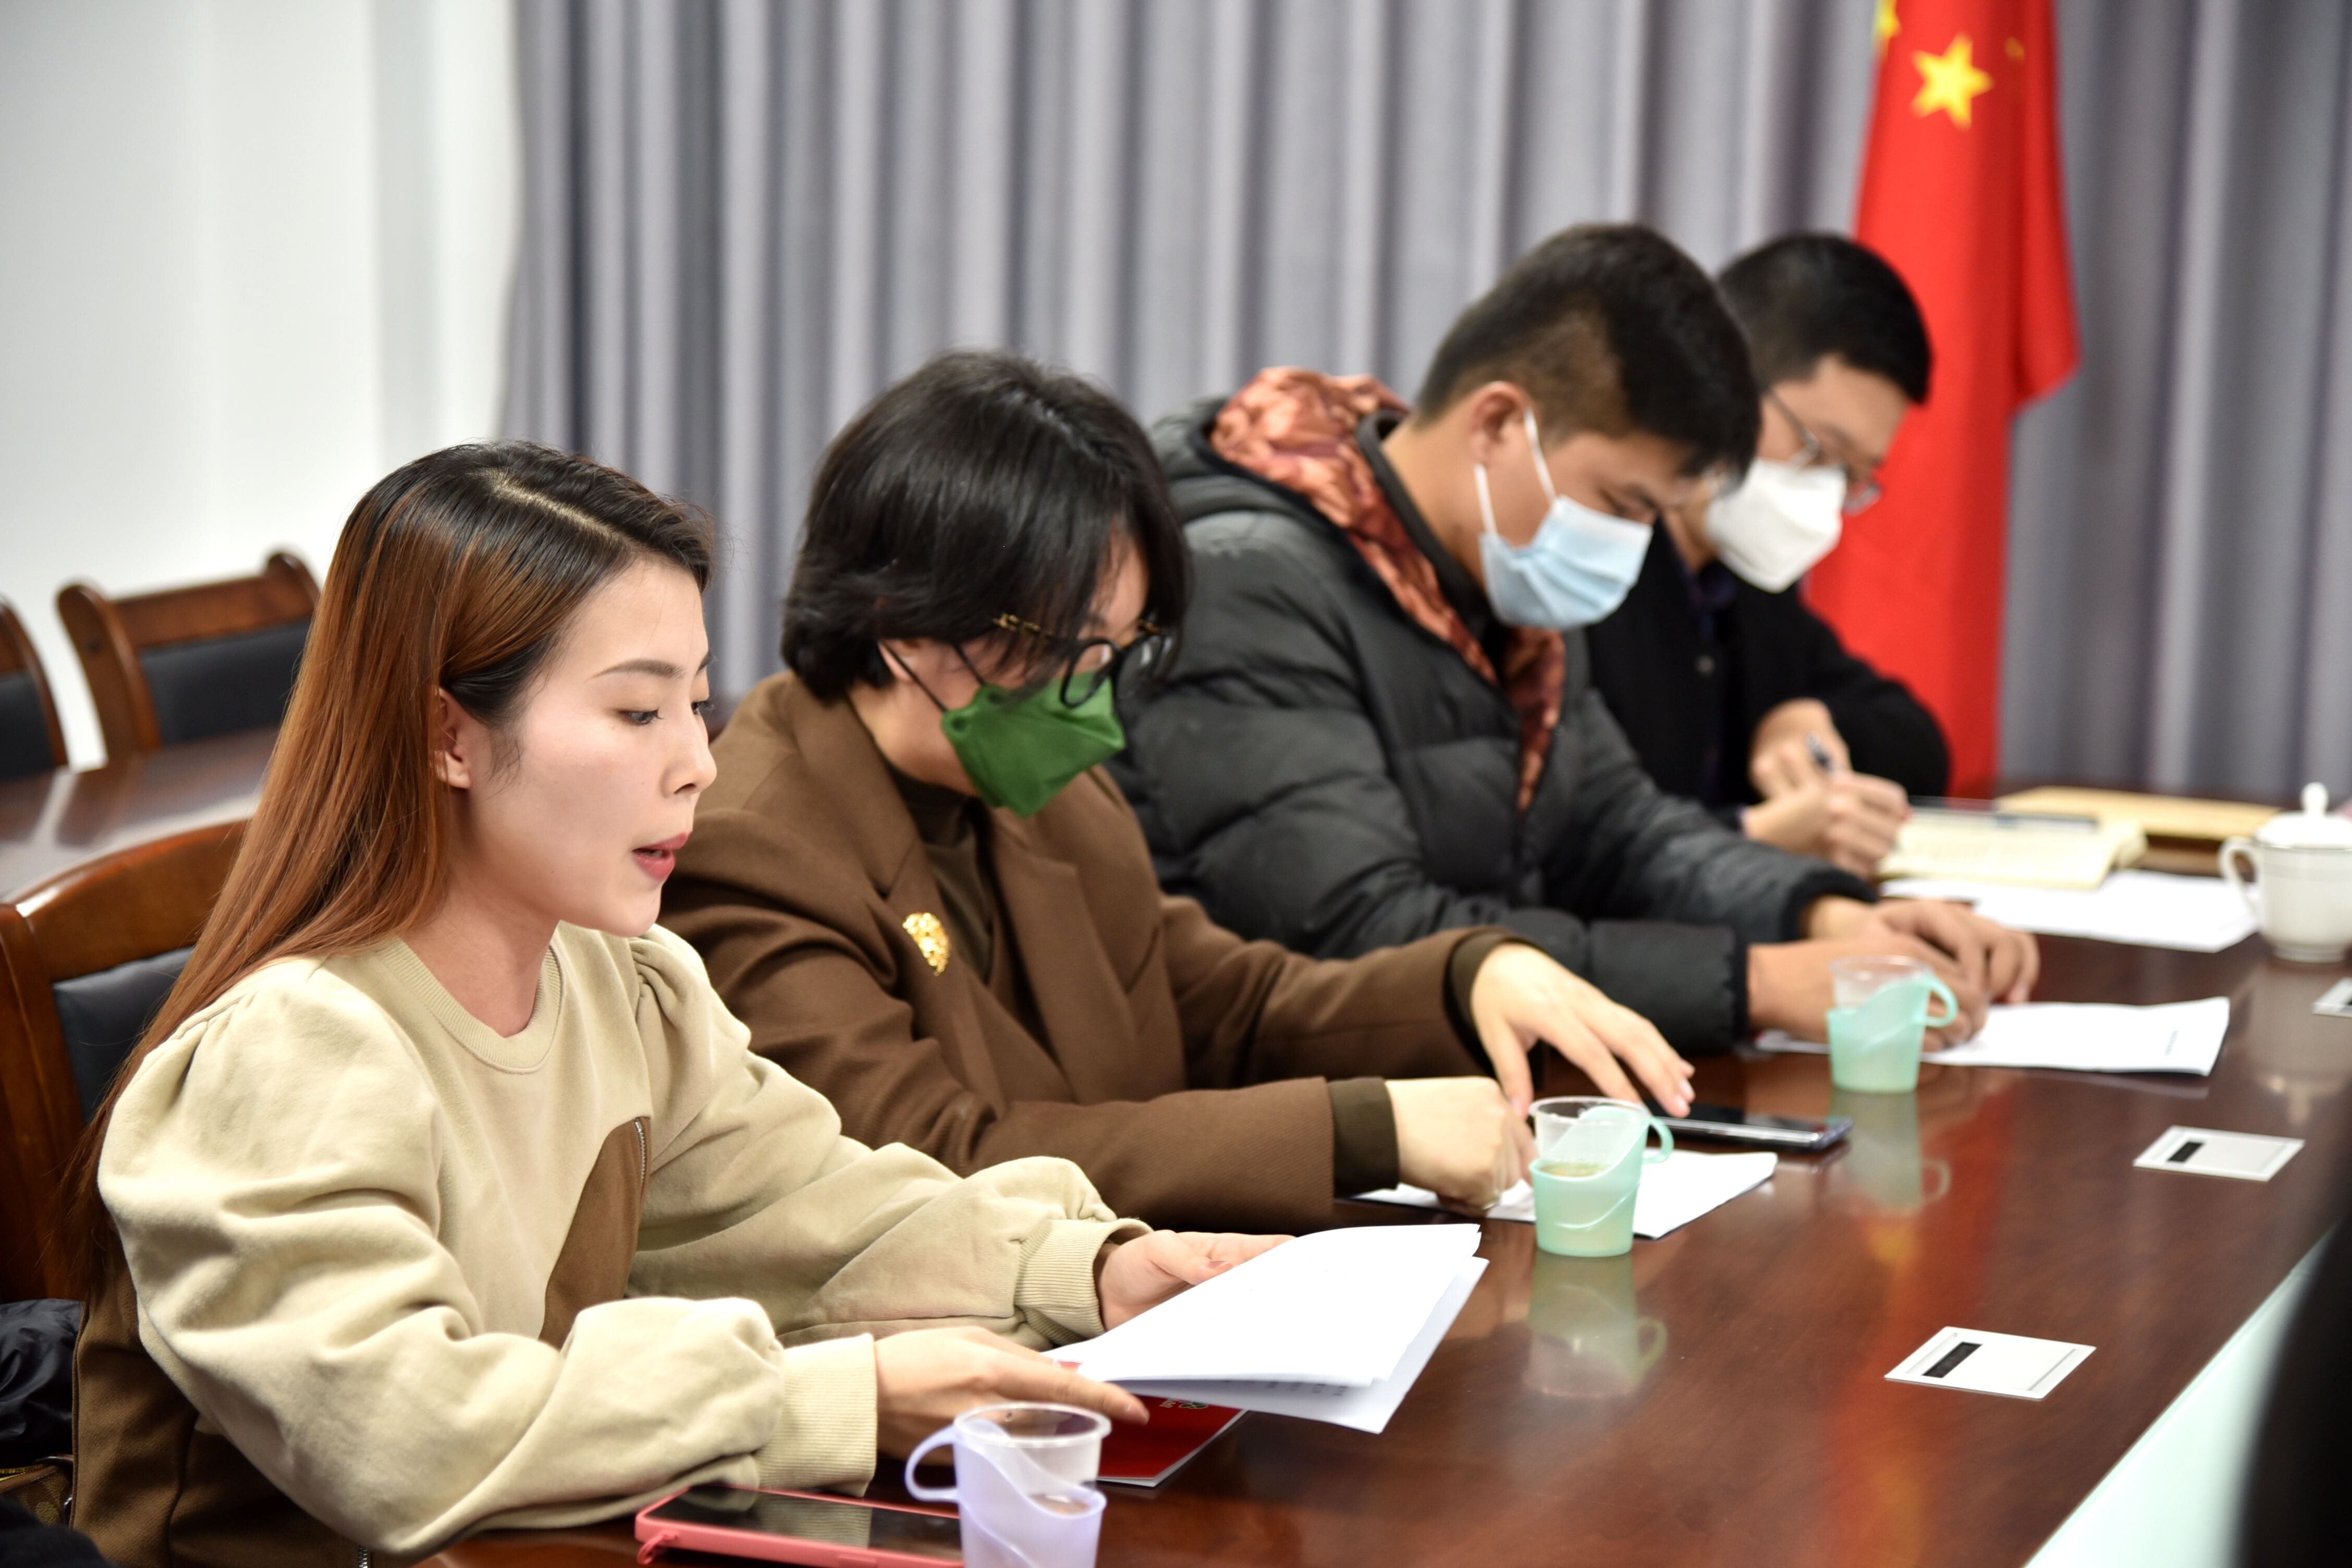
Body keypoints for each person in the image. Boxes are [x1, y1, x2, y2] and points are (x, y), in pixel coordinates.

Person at [68, 443, 1276, 1568]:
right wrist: (836, 1395)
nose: (697, 760)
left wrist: (1094, 1270)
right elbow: (405, 1433)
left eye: (696, 701)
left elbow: (819, 1212)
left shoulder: (625, 981)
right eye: (638, 711)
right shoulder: (293, 1050)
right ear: (450, 735)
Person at [663, 350, 1697, 1235]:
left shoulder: (1044, 789)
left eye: (1118, 651)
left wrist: (1469, 975)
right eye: (1070, 650)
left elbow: (1226, 1005)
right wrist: (1362, 1129)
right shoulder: (755, 846)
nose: (1096, 701)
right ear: (904, 622)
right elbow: (929, 1159)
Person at [1111, 224, 2035, 1056]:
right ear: (1497, 422)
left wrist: (1827, 916)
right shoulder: (1250, 582)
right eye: (1623, 505)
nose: (1630, 549)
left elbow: (1619, 830)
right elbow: (1360, 931)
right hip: (1265, 1103)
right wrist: (1754, 983)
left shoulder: (1499, 578)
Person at [1585, 232, 1948, 876]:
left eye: (1853, 475)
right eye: (1819, 450)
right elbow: (1570, 845)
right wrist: (1752, 837)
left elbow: (1921, 745)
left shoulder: (1750, 586)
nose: (1825, 493)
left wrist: (1805, 718)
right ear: (1721, 380)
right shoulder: (1584, 566)